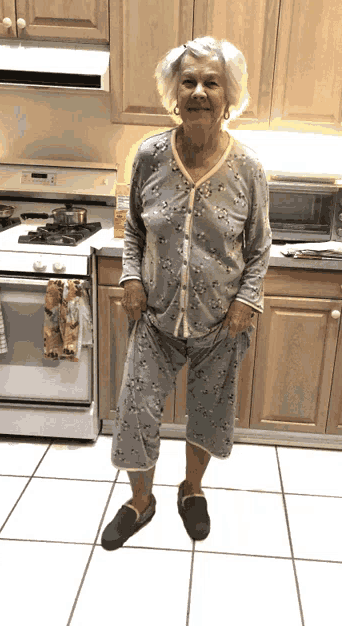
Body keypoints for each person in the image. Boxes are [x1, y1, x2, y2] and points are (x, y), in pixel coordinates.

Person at [102, 36, 272, 551]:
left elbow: (260, 249)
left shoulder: (249, 169)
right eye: (189, 81)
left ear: (228, 95)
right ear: (174, 91)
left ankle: (191, 491)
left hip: (221, 324)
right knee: (136, 410)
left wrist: (246, 303)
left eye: (211, 82)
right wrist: (131, 276)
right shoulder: (150, 156)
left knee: (208, 411)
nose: (199, 91)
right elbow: (133, 229)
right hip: (155, 320)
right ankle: (140, 502)